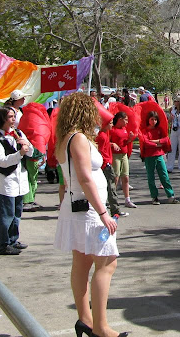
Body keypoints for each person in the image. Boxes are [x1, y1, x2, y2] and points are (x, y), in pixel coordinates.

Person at [53, 93, 127, 337]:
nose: (97, 116)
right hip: (88, 209)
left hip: (78, 207)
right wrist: (104, 212)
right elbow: (85, 178)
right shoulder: (78, 138)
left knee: (82, 263)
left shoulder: (67, 138)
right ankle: (100, 326)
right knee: (107, 262)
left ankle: (86, 320)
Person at [0, 106, 33, 255]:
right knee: (6, 215)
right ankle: (3, 244)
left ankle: (13, 240)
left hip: (20, 180)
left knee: (16, 213)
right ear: (2, 119)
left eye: (14, 116)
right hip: (7, 181)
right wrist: (19, 154)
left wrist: (26, 145)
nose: (14, 119)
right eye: (10, 117)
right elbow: (1, 161)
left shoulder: (18, 133)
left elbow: (30, 152)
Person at [140, 110, 179, 205]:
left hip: (159, 155)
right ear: (148, 120)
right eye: (152, 119)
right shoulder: (145, 131)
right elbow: (145, 142)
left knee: (164, 175)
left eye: (155, 120)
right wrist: (157, 144)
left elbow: (165, 139)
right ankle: (154, 196)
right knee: (151, 177)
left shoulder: (159, 129)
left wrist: (155, 141)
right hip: (149, 156)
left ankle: (170, 195)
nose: (154, 121)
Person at [109, 112, 136, 209]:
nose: (127, 122)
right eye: (126, 120)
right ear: (120, 119)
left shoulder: (124, 129)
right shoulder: (112, 130)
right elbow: (106, 142)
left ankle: (127, 199)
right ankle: (112, 199)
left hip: (124, 154)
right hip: (115, 155)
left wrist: (130, 139)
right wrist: (112, 144)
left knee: (126, 177)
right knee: (115, 178)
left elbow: (125, 142)